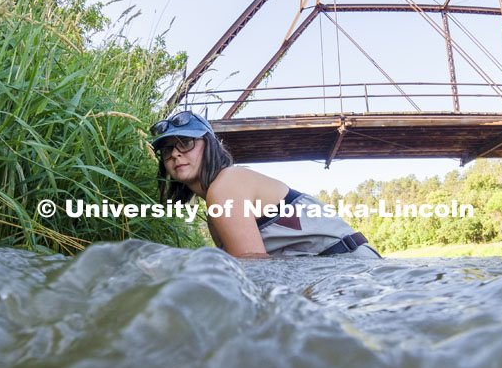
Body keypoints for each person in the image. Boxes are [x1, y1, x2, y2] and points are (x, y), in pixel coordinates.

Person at [150, 110, 382, 259]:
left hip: (350, 269)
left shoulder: (226, 184)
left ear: (209, 145)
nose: (175, 154)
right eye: (167, 148)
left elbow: (255, 270)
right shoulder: (215, 211)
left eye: (186, 142)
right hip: (341, 268)